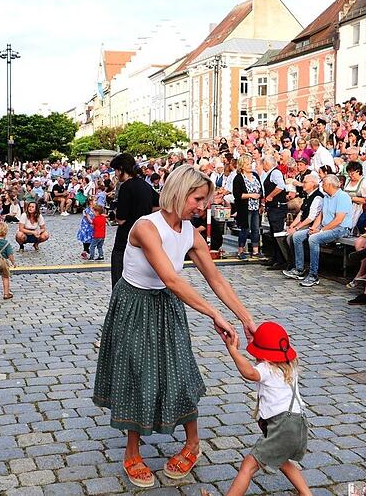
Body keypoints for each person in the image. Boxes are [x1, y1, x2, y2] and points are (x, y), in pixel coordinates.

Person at [93, 165, 256, 489]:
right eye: (198, 199)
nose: (202, 207)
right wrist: (213, 314)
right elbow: (170, 277)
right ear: (179, 192)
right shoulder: (145, 227)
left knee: (179, 373)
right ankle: (132, 451)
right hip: (134, 305)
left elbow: (217, 279)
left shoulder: (190, 233)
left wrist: (245, 318)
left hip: (167, 306)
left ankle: (193, 443)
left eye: (205, 200)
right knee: (136, 374)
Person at [218, 322, 311, 496]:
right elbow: (270, 349)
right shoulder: (290, 366)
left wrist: (233, 351)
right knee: (282, 460)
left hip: (282, 427)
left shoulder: (267, 368)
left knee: (248, 466)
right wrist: (258, 340)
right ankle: (306, 493)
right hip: (299, 424)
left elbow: (250, 373)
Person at [284, 174, 355, 288]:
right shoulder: (326, 197)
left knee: (313, 239)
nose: (321, 185)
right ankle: (299, 269)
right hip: (325, 226)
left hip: (340, 229)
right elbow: (320, 215)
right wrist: (315, 228)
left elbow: (338, 220)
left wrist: (320, 231)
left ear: (329, 185)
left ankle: (313, 275)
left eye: (323, 183)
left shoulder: (343, 197)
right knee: (297, 236)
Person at [109, 153, 158, 287]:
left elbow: (121, 220)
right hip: (144, 238)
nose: (116, 174)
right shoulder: (145, 185)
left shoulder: (125, 187)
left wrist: (115, 213)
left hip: (125, 238)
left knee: (119, 280)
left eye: (116, 170)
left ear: (121, 169)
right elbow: (159, 204)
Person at [233, 155, 263, 261]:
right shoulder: (238, 178)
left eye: (250, 163)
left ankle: (255, 250)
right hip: (245, 208)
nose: (250, 166)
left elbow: (260, 189)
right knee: (245, 229)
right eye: (247, 164)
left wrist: (260, 200)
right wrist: (251, 195)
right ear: (242, 166)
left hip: (255, 206)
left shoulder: (255, 175)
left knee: (255, 229)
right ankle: (241, 250)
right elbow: (237, 194)